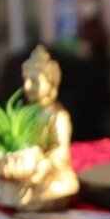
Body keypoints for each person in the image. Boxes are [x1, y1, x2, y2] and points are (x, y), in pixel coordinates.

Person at [19, 44, 80, 209]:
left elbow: (61, 150)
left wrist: (45, 164)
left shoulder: (57, 115)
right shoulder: (26, 113)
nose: (28, 87)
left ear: (51, 83)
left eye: (35, 82)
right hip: (28, 171)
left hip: (51, 173)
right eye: (26, 81)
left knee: (56, 188)